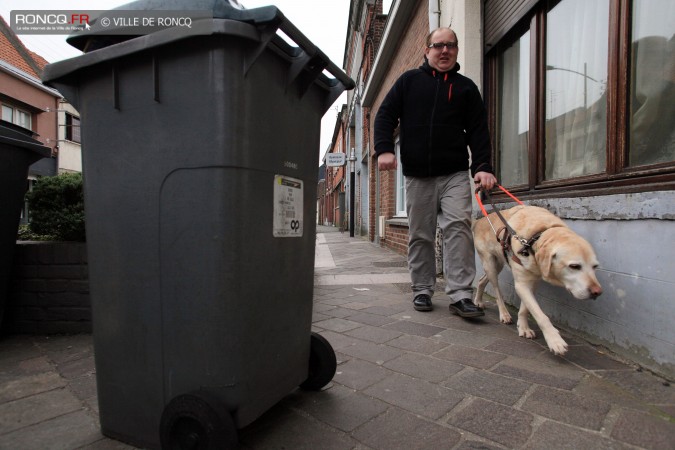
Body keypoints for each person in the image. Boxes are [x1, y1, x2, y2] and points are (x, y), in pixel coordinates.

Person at [374, 27, 497, 318]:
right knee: (421, 234)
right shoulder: (409, 82)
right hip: (418, 174)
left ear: (456, 51)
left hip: (454, 173)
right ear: (427, 50)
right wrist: (384, 149)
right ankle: (422, 289)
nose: (445, 51)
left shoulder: (466, 88)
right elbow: (385, 114)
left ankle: (461, 296)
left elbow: (479, 131)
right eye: (438, 45)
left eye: (451, 46)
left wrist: (482, 167)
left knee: (458, 228)